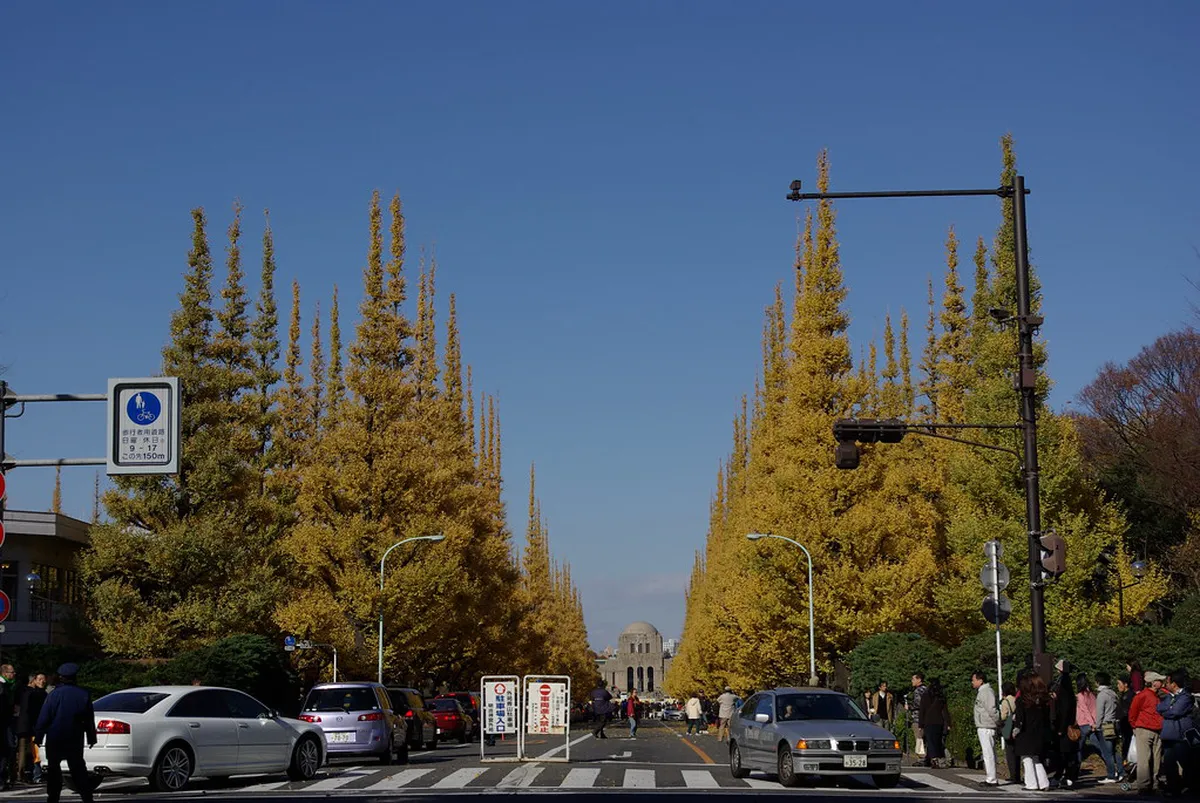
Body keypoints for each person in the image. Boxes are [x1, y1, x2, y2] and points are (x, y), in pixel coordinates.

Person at [33, 664, 98, 803]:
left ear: (61, 677)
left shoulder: (54, 694)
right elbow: (89, 719)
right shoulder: (83, 694)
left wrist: (38, 736)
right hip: (74, 737)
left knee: (53, 768)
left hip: (55, 737)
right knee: (78, 768)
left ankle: (53, 797)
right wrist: (91, 737)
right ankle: (87, 797)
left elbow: (44, 717)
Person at [1155, 668, 1195, 798]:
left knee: (1186, 762)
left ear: (1174, 684)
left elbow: (1176, 712)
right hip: (1168, 734)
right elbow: (1159, 708)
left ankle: (1191, 786)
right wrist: (1169, 708)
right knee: (1169, 763)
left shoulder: (1186, 697)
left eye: (1167, 682)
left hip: (1181, 735)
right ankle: (1173, 787)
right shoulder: (1169, 697)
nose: (1165, 685)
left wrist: (1167, 711)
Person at [1128, 669, 1165, 795]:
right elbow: (1132, 713)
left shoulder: (1151, 695)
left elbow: (1133, 713)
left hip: (1151, 729)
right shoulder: (1144, 696)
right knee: (1147, 758)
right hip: (1146, 729)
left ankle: (1149, 783)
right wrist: (1135, 726)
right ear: (1153, 682)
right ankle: (1145, 785)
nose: (1162, 683)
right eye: (1159, 680)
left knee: (1152, 758)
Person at [1014, 672, 1052, 791]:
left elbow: (1020, 719)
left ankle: (1031, 783)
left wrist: (1016, 730)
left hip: (1025, 733)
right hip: (1039, 732)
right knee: (1036, 758)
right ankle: (1043, 782)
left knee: (1027, 759)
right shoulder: (1042, 700)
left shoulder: (1022, 700)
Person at [15, 672, 48, 785]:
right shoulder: (33, 693)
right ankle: (24, 775)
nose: (42, 681)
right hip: (30, 726)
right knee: (28, 752)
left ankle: (24, 774)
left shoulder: (23, 692)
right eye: (39, 679)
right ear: (33, 680)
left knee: (26, 751)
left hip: (24, 726)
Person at [1050, 660, 1079, 790]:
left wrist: (1061, 727)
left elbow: (1064, 709)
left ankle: (1063, 777)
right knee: (1067, 754)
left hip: (1063, 726)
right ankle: (1066, 777)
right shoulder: (1068, 687)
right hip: (1068, 724)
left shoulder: (1063, 687)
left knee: (1063, 754)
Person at [971, 670, 1000, 786]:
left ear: (980, 680)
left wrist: (997, 721)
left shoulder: (986, 692)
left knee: (988, 753)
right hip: (984, 725)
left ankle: (991, 778)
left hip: (986, 726)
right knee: (988, 753)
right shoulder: (983, 691)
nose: (972, 682)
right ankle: (991, 777)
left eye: (974, 680)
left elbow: (991, 709)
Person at [1093, 671, 1121, 783]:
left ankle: (1111, 775)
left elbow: (1100, 713)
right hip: (1114, 723)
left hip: (1105, 725)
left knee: (1107, 752)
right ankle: (1120, 771)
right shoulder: (1113, 693)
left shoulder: (1101, 695)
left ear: (1098, 682)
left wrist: (1097, 725)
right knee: (1114, 750)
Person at [918, 678, 951, 768]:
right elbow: (945, 711)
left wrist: (920, 724)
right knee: (937, 741)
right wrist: (948, 723)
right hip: (939, 721)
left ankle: (934, 759)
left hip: (928, 721)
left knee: (930, 741)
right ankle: (938, 758)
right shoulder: (941, 696)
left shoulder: (925, 695)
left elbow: (922, 710)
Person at [999, 680, 1020, 786]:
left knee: (1010, 753)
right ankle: (1018, 775)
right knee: (1017, 753)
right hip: (1016, 727)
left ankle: (1013, 775)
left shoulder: (1005, 702)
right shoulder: (1016, 699)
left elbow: (1003, 716)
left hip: (1008, 728)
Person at [0, 664, 16, 791]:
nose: (14, 674)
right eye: (12, 672)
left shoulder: (7, 686)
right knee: (4, 751)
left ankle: (3, 779)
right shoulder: (2, 687)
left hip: (6, 723)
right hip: (3, 725)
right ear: (5, 673)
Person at [908, 673, 929, 765]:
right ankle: (927, 756)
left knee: (919, 738)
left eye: (913, 679)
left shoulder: (918, 691)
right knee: (926, 738)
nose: (912, 681)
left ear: (919, 679)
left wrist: (909, 706)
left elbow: (918, 703)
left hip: (918, 717)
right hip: (927, 717)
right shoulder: (927, 689)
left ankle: (922, 758)